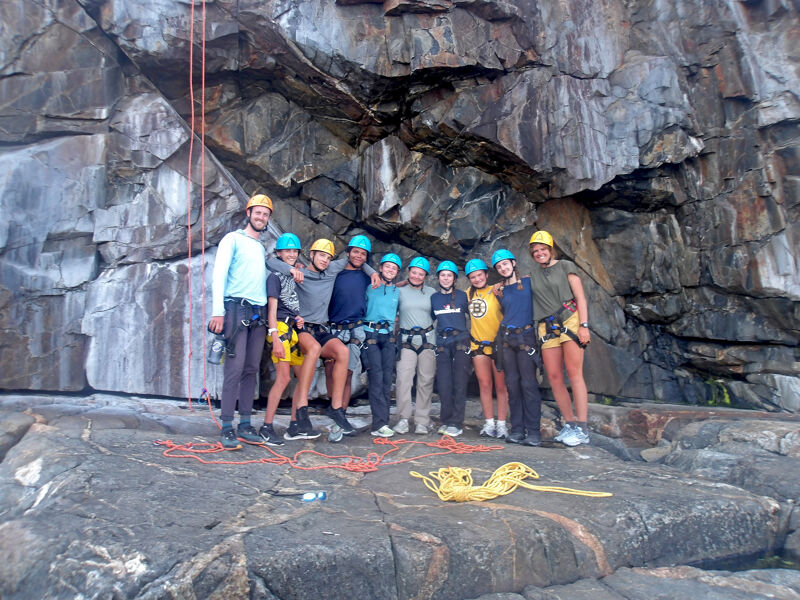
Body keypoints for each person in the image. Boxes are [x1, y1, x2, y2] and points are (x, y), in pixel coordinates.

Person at [266, 239, 378, 438]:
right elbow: (271, 263)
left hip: (322, 328)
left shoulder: (332, 270)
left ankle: (336, 409)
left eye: (328, 257)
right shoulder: (299, 273)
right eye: (321, 256)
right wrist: (291, 269)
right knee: (314, 349)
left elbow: (356, 258)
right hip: (301, 327)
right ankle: (301, 407)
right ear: (311, 255)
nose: (325, 260)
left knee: (342, 352)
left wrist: (373, 272)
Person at [208, 193, 273, 449]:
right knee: (234, 369)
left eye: (265, 214)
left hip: (257, 312)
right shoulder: (232, 239)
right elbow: (219, 274)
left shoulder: (259, 247)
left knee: (251, 369)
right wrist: (217, 312)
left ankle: (245, 424)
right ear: (248, 213)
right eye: (258, 212)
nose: (261, 217)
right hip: (236, 309)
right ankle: (226, 426)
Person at [528, 230, 591, 446]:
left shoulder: (566, 267)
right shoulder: (533, 274)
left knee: (574, 374)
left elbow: (580, 297)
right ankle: (570, 424)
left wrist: (584, 326)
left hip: (570, 321)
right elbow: (517, 283)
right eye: (535, 251)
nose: (539, 253)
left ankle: (582, 428)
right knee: (554, 377)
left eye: (543, 249)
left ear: (550, 249)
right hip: (547, 326)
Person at [262, 233, 321, 444]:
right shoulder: (275, 277)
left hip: (291, 329)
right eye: (287, 251)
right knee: (284, 378)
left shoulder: (291, 276)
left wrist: (297, 317)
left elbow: (288, 305)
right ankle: (266, 426)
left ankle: (295, 424)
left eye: (294, 251)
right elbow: (272, 309)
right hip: (279, 330)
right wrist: (275, 337)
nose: (291, 254)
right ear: (278, 253)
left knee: (302, 375)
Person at [492, 249, 542, 446]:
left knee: (528, 384)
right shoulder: (500, 290)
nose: (503, 268)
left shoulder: (529, 283)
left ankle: (534, 432)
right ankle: (518, 430)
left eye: (505, 264)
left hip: (526, 337)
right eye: (499, 266)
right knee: (512, 384)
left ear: (513, 263)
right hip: (507, 339)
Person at [326, 235, 373, 424]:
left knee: (348, 374)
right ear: (348, 253)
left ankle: (341, 413)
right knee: (330, 370)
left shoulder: (367, 277)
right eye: (356, 252)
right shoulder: (334, 273)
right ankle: (333, 406)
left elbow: (386, 282)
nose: (359, 256)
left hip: (355, 329)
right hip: (334, 327)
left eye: (363, 254)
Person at [464, 258, 509, 439]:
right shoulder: (467, 294)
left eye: (479, 275)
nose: (477, 279)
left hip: (497, 346)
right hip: (478, 345)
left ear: (486, 275)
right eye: (473, 277)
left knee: (501, 386)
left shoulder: (497, 291)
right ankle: (489, 423)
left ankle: (502, 424)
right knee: (484, 384)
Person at [394, 257, 437, 435]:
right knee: (403, 379)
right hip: (406, 340)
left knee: (425, 381)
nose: (417, 276)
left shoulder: (432, 292)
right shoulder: (400, 291)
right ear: (409, 272)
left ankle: (422, 421)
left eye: (421, 274)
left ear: (425, 276)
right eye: (414, 272)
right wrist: (398, 284)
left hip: (427, 340)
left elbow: (438, 313)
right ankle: (403, 419)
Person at [362, 253, 402, 437]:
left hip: (388, 337)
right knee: (376, 377)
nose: (390, 270)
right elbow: (360, 264)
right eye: (387, 267)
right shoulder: (370, 285)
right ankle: (378, 424)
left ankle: (383, 421)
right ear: (380, 268)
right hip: (370, 333)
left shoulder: (397, 291)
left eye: (394, 268)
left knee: (387, 379)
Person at [431, 261, 471, 437]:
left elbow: (476, 316)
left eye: (449, 275)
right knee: (444, 383)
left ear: (454, 278)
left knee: (460, 382)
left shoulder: (463, 296)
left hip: (461, 340)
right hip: (442, 342)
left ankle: (456, 422)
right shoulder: (434, 298)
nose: (446, 278)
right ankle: (446, 419)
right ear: (438, 277)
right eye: (443, 275)